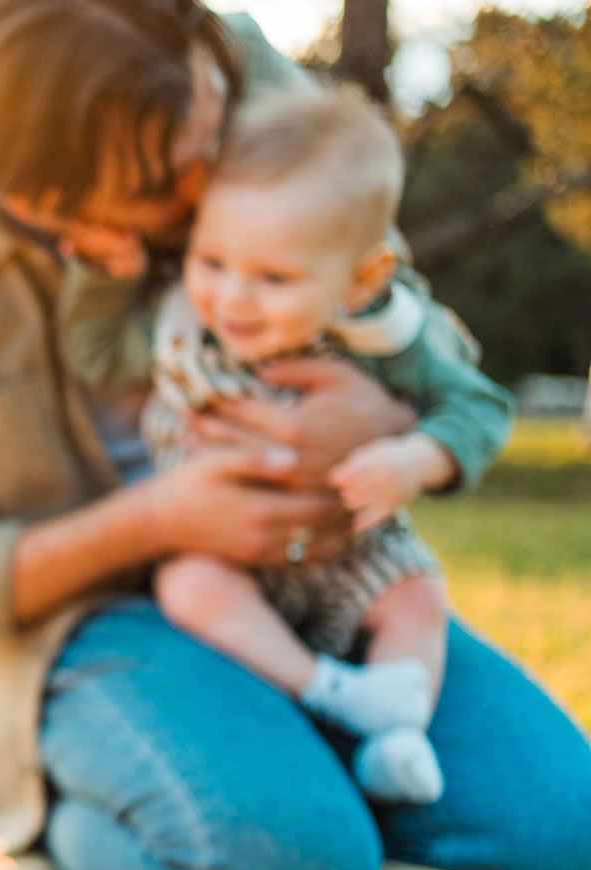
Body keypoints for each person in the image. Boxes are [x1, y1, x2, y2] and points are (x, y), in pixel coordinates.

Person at [0, 0, 591, 870]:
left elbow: (392, 304)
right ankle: (72, 805)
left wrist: (369, 416)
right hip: (81, 625)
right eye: (169, 179)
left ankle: (313, 745)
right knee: (284, 859)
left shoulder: (224, 73)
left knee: (564, 835)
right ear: (44, 203)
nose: (213, 165)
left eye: (213, 126)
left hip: (315, 589)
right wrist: (161, 520)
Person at [69, 85, 515, 806]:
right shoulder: (186, 325)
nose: (235, 299)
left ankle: (399, 734)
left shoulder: (385, 336)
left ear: (360, 278)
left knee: (417, 596)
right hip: (224, 550)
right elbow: (95, 353)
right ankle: (330, 693)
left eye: (274, 278)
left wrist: (413, 458)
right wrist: (103, 269)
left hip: (351, 549)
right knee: (188, 586)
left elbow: (481, 407)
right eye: (212, 259)